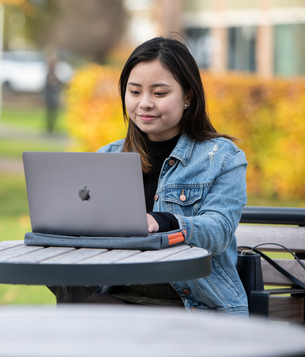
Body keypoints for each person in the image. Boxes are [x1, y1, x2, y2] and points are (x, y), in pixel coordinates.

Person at [89, 36, 249, 317]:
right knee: (74, 317)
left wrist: (165, 222)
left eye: (159, 93)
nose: (145, 103)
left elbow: (219, 230)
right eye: (135, 92)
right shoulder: (108, 156)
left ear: (188, 95)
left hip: (195, 306)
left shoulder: (223, 158)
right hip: (121, 297)